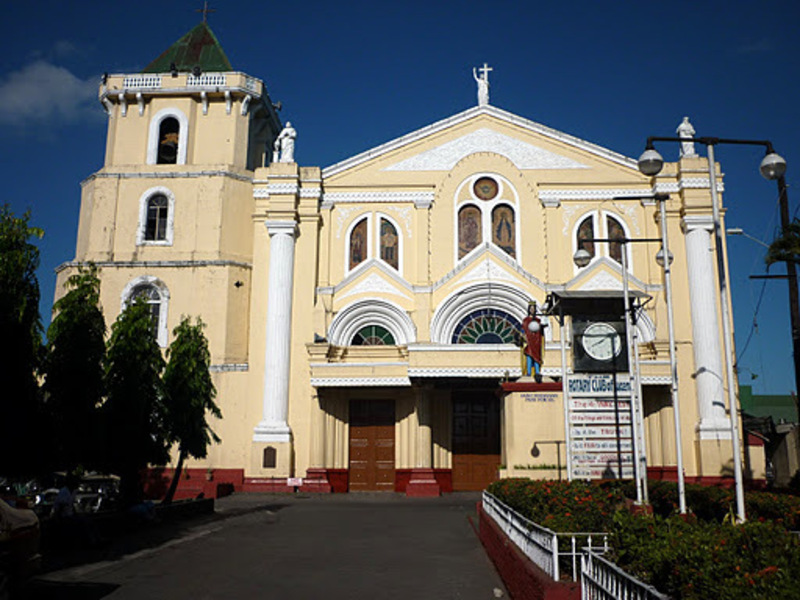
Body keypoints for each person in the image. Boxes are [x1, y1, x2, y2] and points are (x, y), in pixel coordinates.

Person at [521, 301, 547, 383]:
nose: (532, 310)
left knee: (536, 357)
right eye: (531, 308)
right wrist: (522, 335)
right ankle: (528, 372)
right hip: (529, 341)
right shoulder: (525, 320)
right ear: (529, 309)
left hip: (536, 341)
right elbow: (523, 330)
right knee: (529, 355)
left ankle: (537, 372)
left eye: (534, 308)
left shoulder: (538, 320)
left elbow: (542, 331)